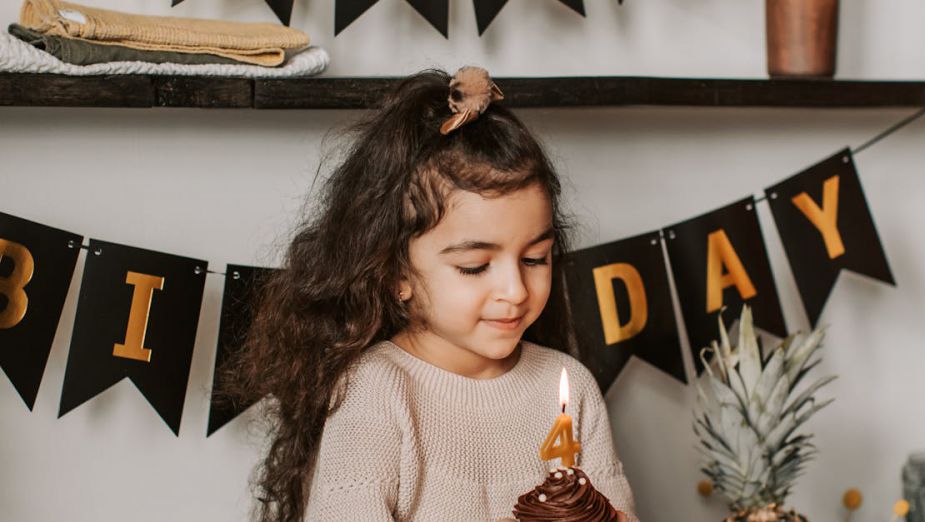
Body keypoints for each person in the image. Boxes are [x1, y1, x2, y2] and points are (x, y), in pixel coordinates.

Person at [219, 67, 637, 522]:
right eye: (474, 267)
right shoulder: (376, 392)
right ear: (395, 270)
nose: (516, 291)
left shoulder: (570, 386)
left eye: (535, 259)